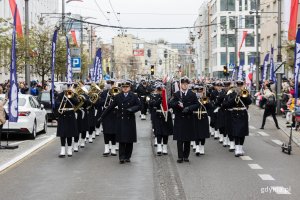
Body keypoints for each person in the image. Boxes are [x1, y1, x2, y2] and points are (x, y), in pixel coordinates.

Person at [101, 80, 141, 164]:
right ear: (122, 88)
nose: (125, 88)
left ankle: (127, 156)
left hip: (130, 120)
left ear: (129, 88)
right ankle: (121, 157)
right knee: (122, 139)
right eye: (124, 87)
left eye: (126, 87)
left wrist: (132, 109)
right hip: (121, 120)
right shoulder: (118, 96)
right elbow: (110, 107)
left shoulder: (133, 96)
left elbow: (139, 106)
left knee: (129, 140)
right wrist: (102, 116)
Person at [170, 77, 199, 163]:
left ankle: (186, 156)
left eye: (186, 84)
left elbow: (197, 105)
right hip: (179, 118)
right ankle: (180, 157)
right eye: (183, 84)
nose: (185, 85)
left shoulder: (192, 94)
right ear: (180, 85)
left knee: (187, 139)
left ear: (188, 85)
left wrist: (189, 108)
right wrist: (178, 104)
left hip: (189, 119)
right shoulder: (177, 94)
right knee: (180, 139)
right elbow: (170, 103)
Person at [227, 81, 252, 157]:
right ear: (236, 86)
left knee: (242, 132)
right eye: (238, 85)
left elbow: (249, 102)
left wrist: (244, 96)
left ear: (243, 85)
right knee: (236, 132)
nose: (239, 87)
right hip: (235, 114)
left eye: (241, 85)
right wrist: (236, 96)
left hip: (243, 114)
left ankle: (240, 148)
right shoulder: (232, 93)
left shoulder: (245, 93)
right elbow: (229, 104)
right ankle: (237, 148)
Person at [149, 84, 173, 155]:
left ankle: (165, 147)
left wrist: (167, 100)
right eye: (159, 90)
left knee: (165, 133)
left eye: (161, 90)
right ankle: (159, 147)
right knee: (158, 132)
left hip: (166, 116)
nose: (160, 91)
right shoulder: (154, 96)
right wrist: (161, 98)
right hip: (158, 116)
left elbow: (171, 105)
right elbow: (153, 104)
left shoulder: (168, 97)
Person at [55, 85, 79, 158]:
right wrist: (62, 103)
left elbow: (76, 103)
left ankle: (69, 149)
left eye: (68, 88)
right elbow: (57, 104)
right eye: (65, 89)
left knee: (69, 134)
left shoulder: (72, 94)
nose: (66, 90)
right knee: (62, 134)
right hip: (63, 116)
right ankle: (62, 150)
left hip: (70, 115)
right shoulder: (60, 95)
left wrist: (71, 97)